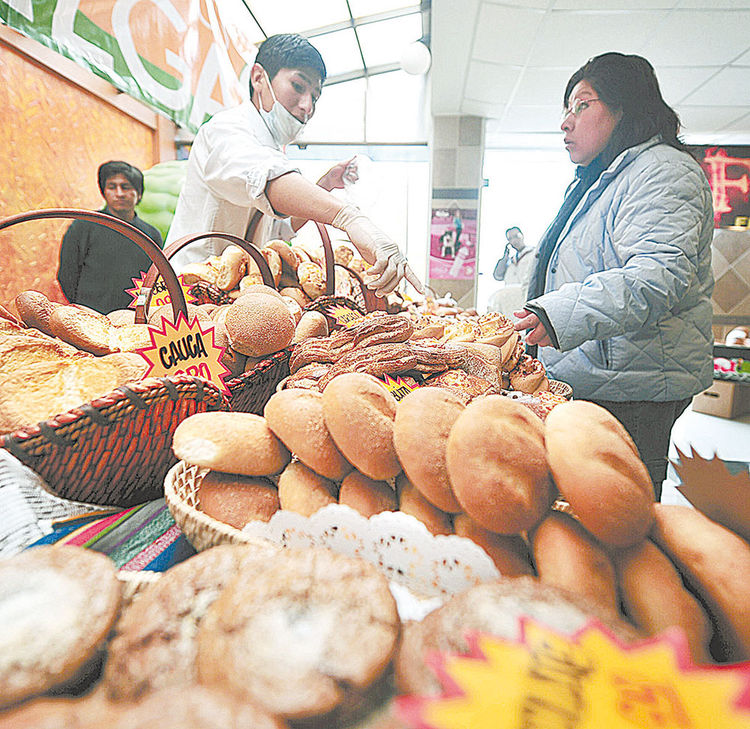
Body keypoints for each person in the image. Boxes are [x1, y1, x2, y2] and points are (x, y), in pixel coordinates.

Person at [513, 52, 714, 500]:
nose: (566, 122)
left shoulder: (662, 171)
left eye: (582, 105)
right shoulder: (602, 178)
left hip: (632, 391)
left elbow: (657, 275)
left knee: (619, 518)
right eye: (566, 108)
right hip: (600, 378)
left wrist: (556, 314)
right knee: (585, 511)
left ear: (626, 109)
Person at [167, 33, 420, 296]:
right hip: (187, 293)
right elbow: (264, 178)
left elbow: (279, 228)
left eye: (315, 97)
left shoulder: (271, 147)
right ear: (258, 78)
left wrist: (325, 185)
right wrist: (349, 217)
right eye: (298, 86)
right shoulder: (227, 130)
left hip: (236, 296)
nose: (307, 106)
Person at [57, 160, 163, 314]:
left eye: (125, 187)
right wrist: (84, 307)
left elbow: (156, 279)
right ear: (104, 192)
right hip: (92, 318)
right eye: (112, 187)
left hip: (135, 321)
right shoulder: (83, 226)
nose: (119, 193)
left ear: (138, 193)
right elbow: (67, 274)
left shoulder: (151, 234)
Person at [488, 226, 535, 316]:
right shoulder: (509, 261)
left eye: (516, 236)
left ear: (522, 236)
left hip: (526, 300)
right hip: (509, 302)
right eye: (510, 239)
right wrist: (505, 255)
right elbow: (497, 276)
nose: (514, 241)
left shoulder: (533, 254)